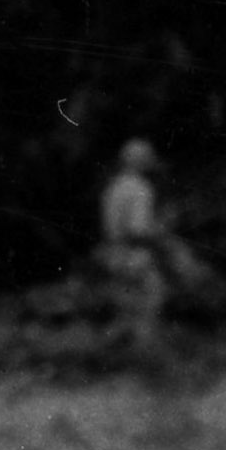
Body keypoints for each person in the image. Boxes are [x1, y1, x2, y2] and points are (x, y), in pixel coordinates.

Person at [97, 141, 169, 339]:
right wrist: (160, 232)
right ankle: (143, 355)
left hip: (113, 254)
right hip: (135, 256)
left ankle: (113, 357)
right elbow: (137, 230)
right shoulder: (141, 188)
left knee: (124, 309)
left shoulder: (114, 187)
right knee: (151, 302)